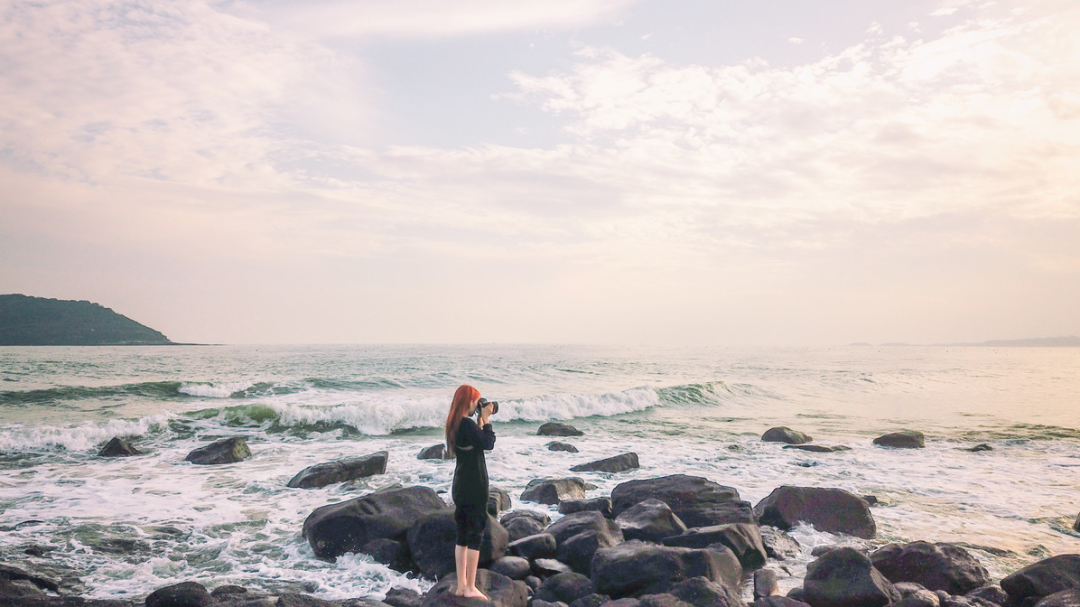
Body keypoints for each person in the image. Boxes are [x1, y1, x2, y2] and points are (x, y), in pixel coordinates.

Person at [444, 384, 496, 599]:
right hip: (475, 485)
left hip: (461, 484)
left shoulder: (455, 423)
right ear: (468, 402)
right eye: (476, 401)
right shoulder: (467, 424)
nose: (478, 404)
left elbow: (477, 441)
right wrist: (487, 421)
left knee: (462, 534)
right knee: (475, 534)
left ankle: (461, 585)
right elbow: (488, 443)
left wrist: (481, 421)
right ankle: (470, 587)